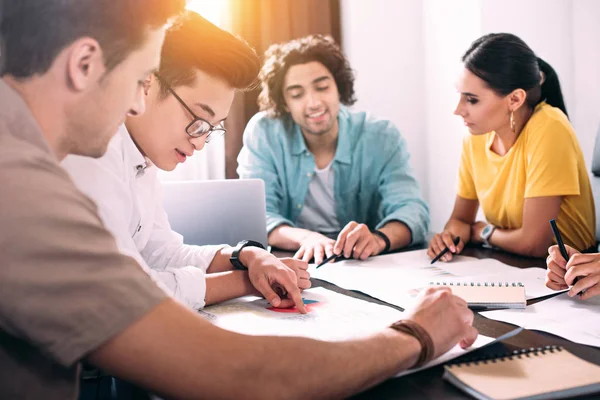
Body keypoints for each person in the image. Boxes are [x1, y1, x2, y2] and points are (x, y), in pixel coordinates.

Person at [0, 2, 478, 398]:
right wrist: (415, 335)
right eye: (140, 78)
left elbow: (158, 251)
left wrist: (243, 258)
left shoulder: (53, 156)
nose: (135, 104)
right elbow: (238, 375)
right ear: (84, 64)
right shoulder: (28, 185)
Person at [61, 11, 310, 312]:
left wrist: (246, 256)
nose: (200, 141)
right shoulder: (93, 151)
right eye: (199, 120)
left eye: (212, 128)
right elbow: (130, 293)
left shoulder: (142, 159)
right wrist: (246, 281)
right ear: (148, 83)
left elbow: (162, 252)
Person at [237, 35, 429, 266]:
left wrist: (379, 239)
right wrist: (306, 238)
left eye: (322, 87)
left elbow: (412, 210)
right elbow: (258, 217)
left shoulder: (381, 136)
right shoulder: (265, 133)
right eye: (297, 94)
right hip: (292, 262)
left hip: (363, 264)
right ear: (285, 103)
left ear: (339, 87)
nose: (314, 103)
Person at [428, 33, 595, 262]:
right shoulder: (476, 135)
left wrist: (484, 232)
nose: (458, 110)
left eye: (472, 100)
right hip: (508, 262)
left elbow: (535, 244)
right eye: (460, 96)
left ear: (515, 100)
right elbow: (460, 220)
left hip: (566, 273)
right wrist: (449, 237)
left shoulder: (549, 127)